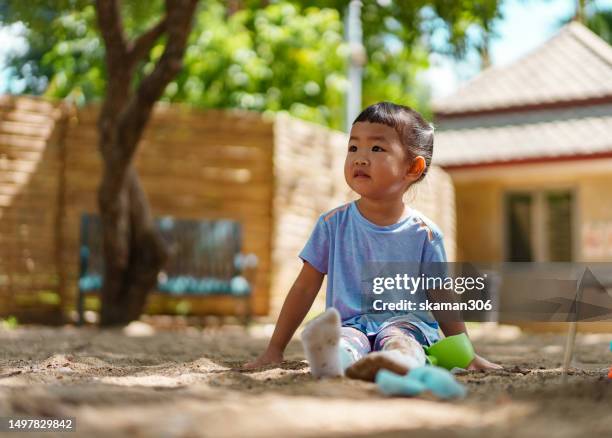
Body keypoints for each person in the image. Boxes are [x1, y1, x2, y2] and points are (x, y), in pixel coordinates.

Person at [244, 102, 501, 379]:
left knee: (401, 339)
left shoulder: (425, 234)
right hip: (350, 324)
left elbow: (441, 297)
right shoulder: (332, 225)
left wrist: (467, 354)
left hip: (407, 324)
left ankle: (399, 361)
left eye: (377, 148)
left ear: (412, 168)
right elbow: (305, 288)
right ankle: (336, 360)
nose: (360, 158)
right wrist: (275, 348)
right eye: (353, 147)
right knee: (343, 340)